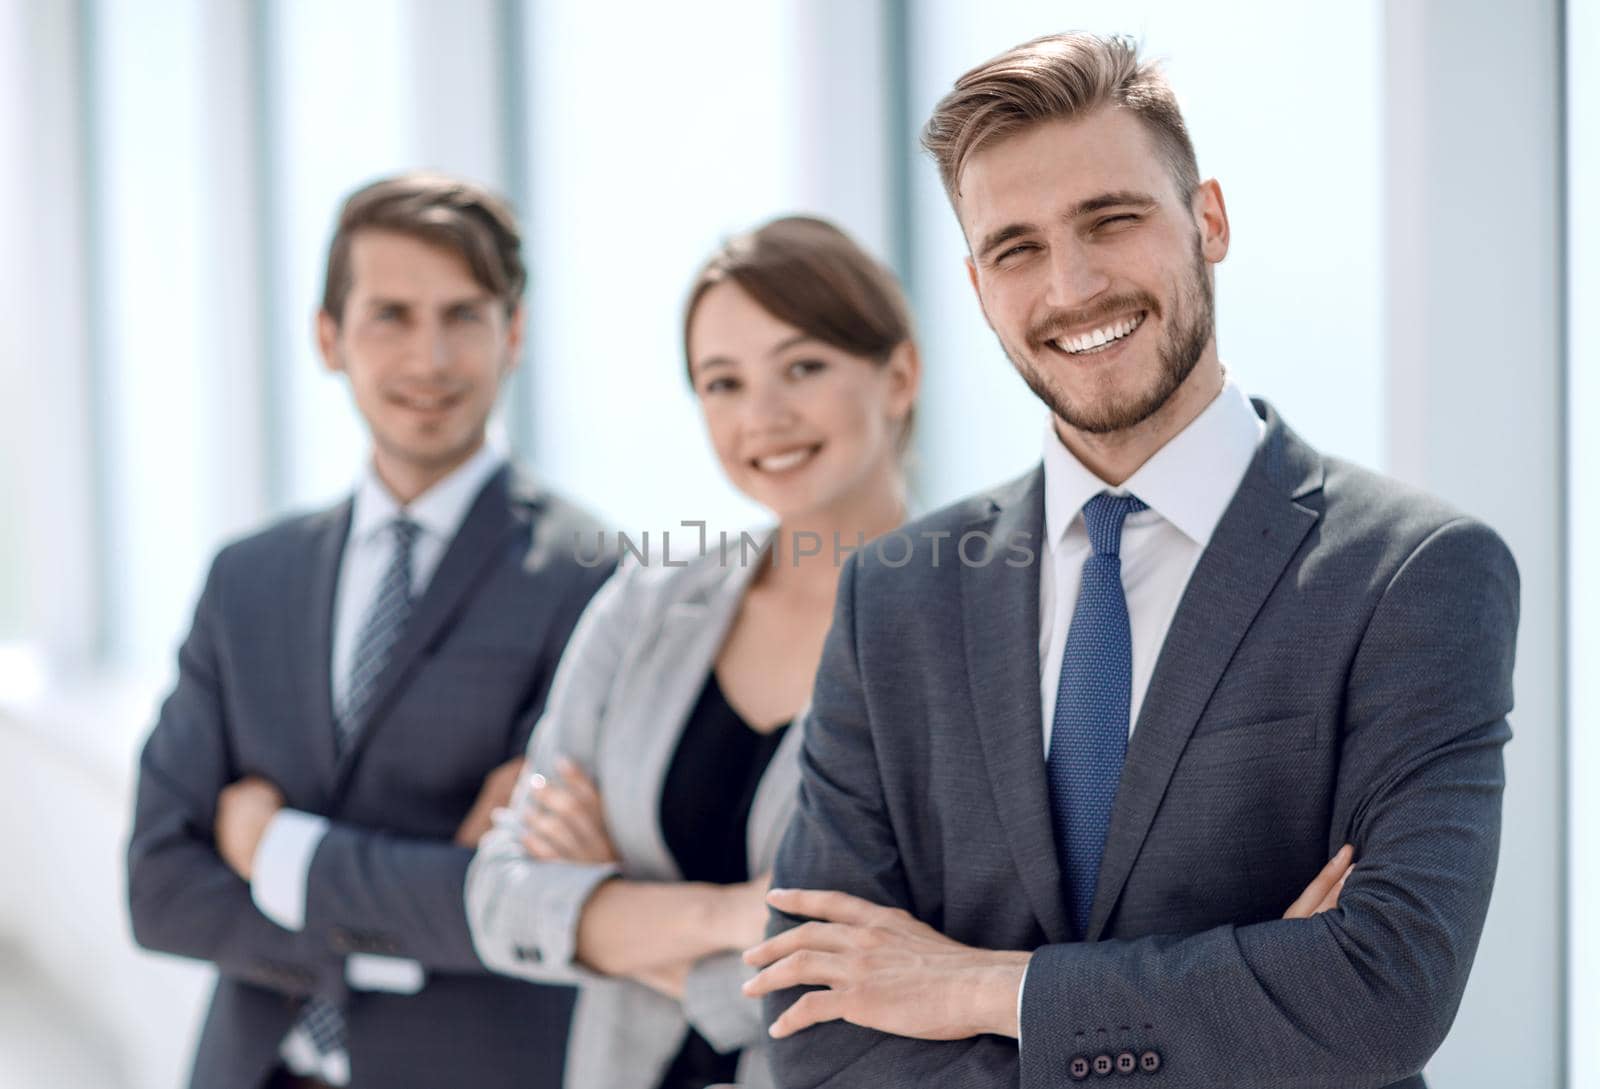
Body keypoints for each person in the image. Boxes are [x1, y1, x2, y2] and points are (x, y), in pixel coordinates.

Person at [744, 32, 1518, 1089]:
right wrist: (1244, 1005)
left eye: (1111, 220)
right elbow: (815, 1025)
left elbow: (1382, 994)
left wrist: (981, 987)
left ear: (1207, 221)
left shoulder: (1412, 574)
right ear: (976, 285)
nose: (1071, 286)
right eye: (1016, 249)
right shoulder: (896, 594)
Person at [126, 173, 611, 1089]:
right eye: (390, 314)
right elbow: (158, 887)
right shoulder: (248, 579)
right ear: (328, 336)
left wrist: (273, 850)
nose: (429, 358)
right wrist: (403, 910)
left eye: (462, 315)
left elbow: (523, 898)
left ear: (513, 333)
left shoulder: (595, 577)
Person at [465, 215, 920, 1089]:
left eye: (803, 366)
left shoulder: (968, 642)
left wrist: (609, 910)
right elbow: (500, 894)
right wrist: (732, 914)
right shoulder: (647, 602)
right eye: (723, 382)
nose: (764, 416)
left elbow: (899, 977)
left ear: (898, 375)